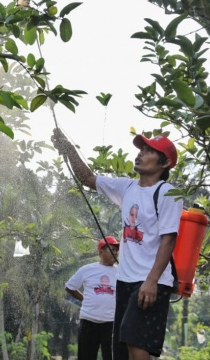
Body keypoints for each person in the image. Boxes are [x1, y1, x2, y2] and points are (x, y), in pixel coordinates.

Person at [52, 128, 182, 360]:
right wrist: (69, 149)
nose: (140, 154)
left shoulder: (168, 193)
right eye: (141, 149)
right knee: (121, 348)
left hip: (152, 279)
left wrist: (151, 281)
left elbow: (169, 239)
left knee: (136, 340)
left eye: (149, 151)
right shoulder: (128, 187)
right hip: (125, 280)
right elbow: (88, 179)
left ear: (165, 162)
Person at [65, 236, 120, 360]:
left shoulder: (120, 272)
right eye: (112, 249)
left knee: (111, 357)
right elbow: (69, 286)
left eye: (117, 250)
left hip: (111, 322)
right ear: (100, 252)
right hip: (89, 321)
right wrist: (84, 298)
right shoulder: (87, 269)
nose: (115, 252)